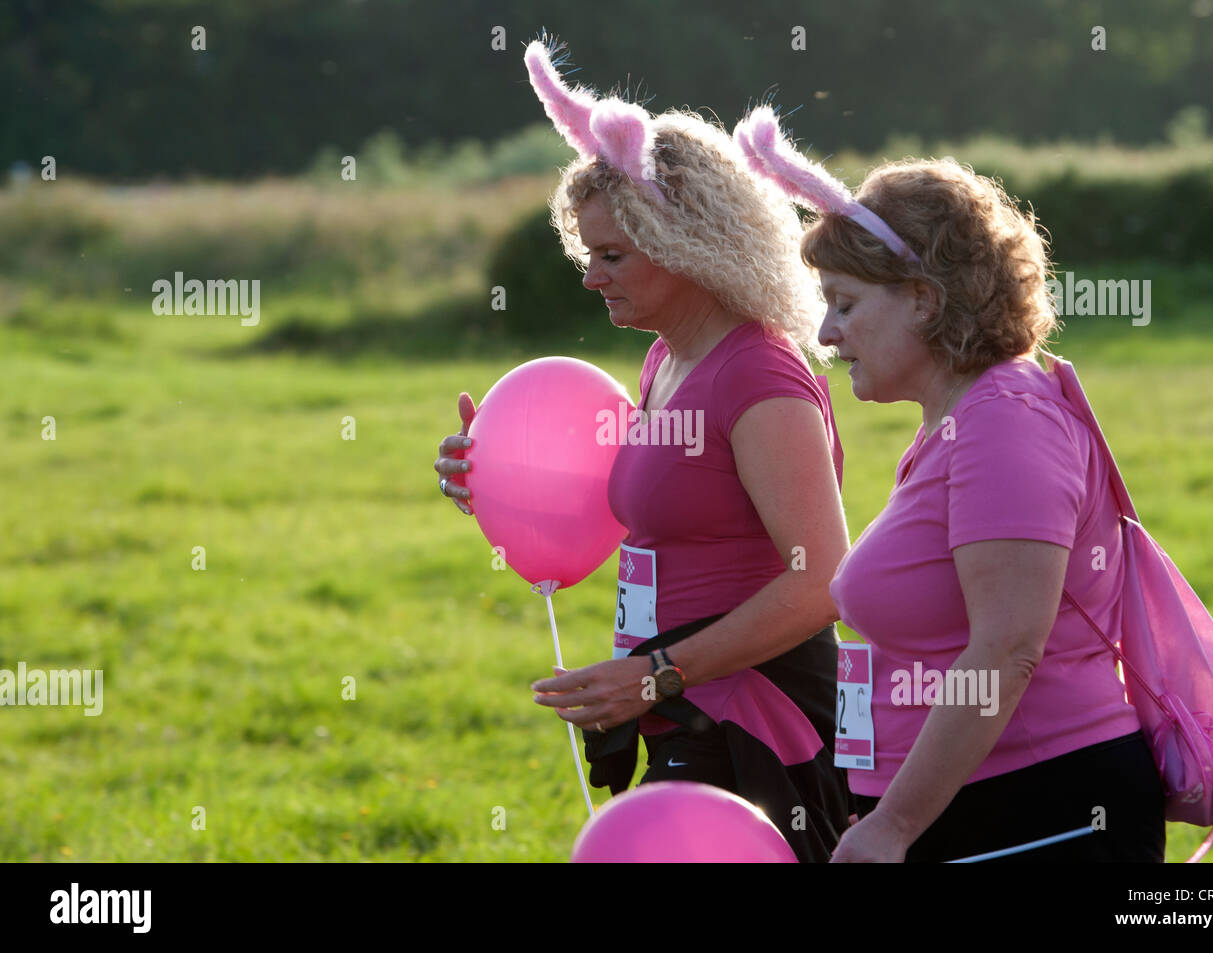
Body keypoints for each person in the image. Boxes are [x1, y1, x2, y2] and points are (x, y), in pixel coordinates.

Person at [434, 40, 851, 861]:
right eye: (588, 252)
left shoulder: (760, 375)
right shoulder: (667, 358)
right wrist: (491, 473)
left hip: (757, 718)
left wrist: (656, 673)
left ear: (689, 245)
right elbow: (663, 502)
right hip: (686, 702)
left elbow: (821, 583)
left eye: (613, 255)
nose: (592, 277)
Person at [736, 107, 1165, 862]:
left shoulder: (1006, 420)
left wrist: (892, 825)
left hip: (1039, 812)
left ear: (924, 300)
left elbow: (1008, 648)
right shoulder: (957, 422)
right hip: (981, 810)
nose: (826, 334)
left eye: (844, 303)